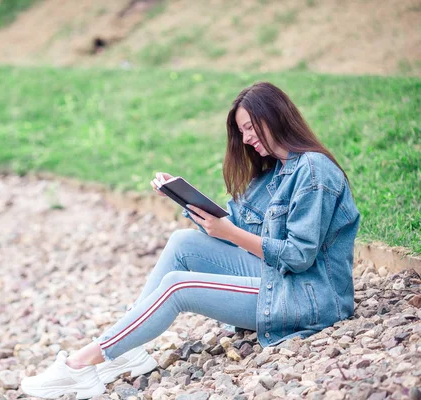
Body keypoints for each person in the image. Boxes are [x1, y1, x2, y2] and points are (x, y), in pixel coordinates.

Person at [21, 82, 360, 399]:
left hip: (307, 296)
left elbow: (298, 257)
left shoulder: (313, 171)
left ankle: (81, 364)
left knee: (178, 287)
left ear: (274, 117)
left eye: (250, 128)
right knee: (183, 242)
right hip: (278, 279)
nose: (245, 140)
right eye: (241, 131)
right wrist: (190, 202)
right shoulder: (274, 171)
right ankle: (130, 349)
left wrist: (227, 231)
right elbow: (239, 227)